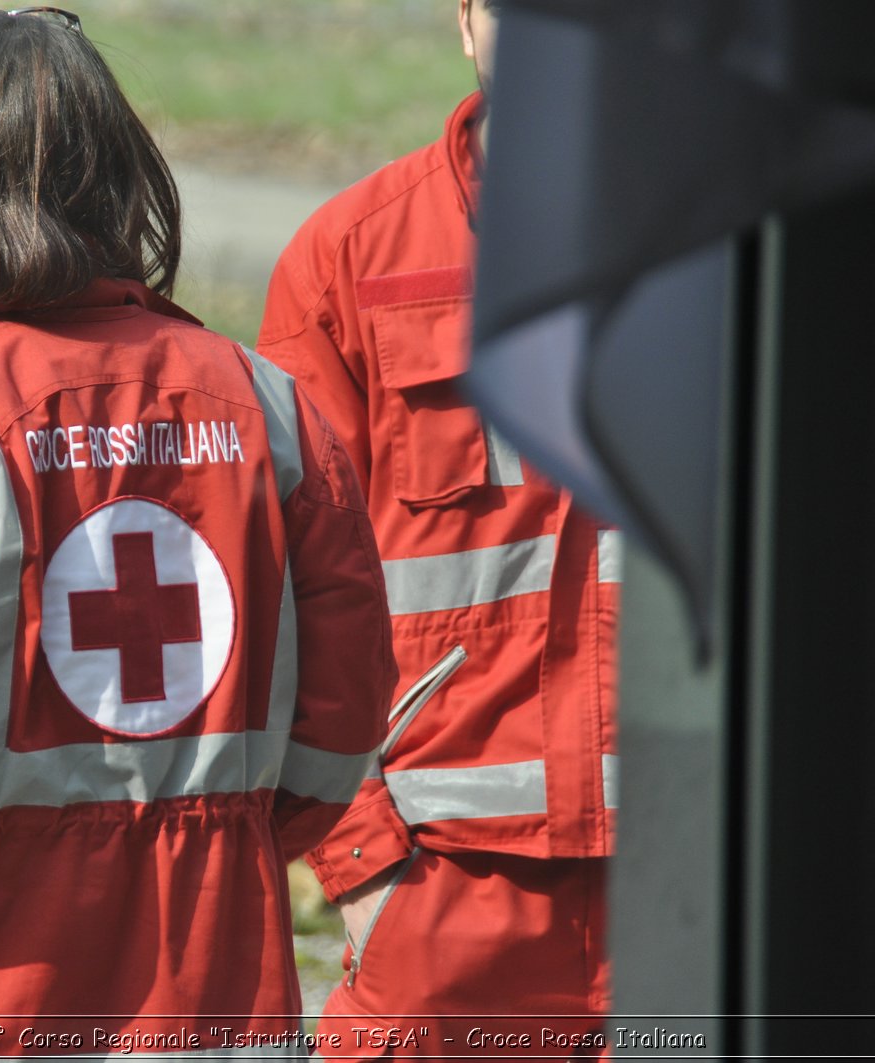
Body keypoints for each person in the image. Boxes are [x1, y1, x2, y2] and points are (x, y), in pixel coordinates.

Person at [0, 7, 397, 1054]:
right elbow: (341, 728)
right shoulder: (270, 405)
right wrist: (212, 835)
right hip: (218, 995)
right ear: (115, 173)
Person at [257, 0, 620, 1055]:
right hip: (445, 899)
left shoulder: (758, 245)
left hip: (714, 876)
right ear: (467, 21)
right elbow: (281, 595)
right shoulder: (350, 260)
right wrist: (366, 871)